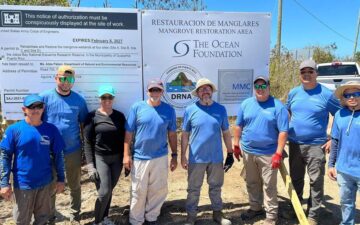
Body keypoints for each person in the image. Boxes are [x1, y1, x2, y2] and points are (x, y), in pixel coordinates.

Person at [286, 59, 341, 224]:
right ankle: (294, 209)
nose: (307, 74)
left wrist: (333, 138)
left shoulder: (326, 94)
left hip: (316, 145)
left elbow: (339, 115)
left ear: (316, 73)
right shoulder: (294, 93)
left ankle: (313, 215)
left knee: (315, 181)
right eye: (303, 72)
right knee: (296, 179)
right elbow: (288, 111)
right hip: (294, 143)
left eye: (310, 71)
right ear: (300, 75)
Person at [0, 94, 65, 225]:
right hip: (23, 185)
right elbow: (5, 157)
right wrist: (4, 183)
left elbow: (59, 156)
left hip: (45, 183)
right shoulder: (14, 130)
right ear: (24, 109)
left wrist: (61, 179)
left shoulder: (51, 129)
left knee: (42, 220)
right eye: (31, 107)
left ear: (43, 108)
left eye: (39, 106)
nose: (36, 110)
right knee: (22, 221)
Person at [233, 76, 288, 225]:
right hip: (248, 152)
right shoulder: (246, 104)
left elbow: (283, 131)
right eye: (257, 86)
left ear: (269, 87)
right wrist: (236, 145)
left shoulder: (278, 106)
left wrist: (278, 153)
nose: (260, 89)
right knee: (252, 182)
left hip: (269, 153)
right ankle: (255, 207)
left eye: (263, 86)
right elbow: (239, 125)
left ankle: (271, 216)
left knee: (269, 186)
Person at [124, 79, 177, 225]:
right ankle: (136, 220)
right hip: (140, 157)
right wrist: (126, 155)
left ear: (162, 92)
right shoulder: (137, 107)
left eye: (158, 90)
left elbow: (172, 134)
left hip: (160, 157)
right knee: (138, 191)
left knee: (158, 190)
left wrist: (174, 156)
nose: (155, 93)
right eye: (152, 90)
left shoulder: (169, 110)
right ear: (147, 92)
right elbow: (128, 133)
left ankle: (151, 217)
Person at [181, 78, 234, 225]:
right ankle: (191, 217)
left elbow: (226, 133)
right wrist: (182, 157)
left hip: (216, 157)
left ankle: (217, 215)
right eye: (201, 89)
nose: (205, 91)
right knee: (193, 189)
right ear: (197, 93)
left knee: (216, 188)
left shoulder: (220, 109)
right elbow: (185, 135)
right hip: (196, 158)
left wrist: (230, 154)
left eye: (208, 88)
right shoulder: (190, 110)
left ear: (212, 91)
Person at [40, 65, 89, 224]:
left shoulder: (79, 100)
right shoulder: (44, 98)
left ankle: (75, 215)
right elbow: (35, 122)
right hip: (49, 152)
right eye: (62, 78)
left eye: (70, 79)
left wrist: (84, 151)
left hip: (72, 150)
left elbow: (84, 126)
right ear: (56, 78)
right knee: (51, 185)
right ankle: (51, 216)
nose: (66, 82)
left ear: (73, 81)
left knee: (75, 185)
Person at [84, 85, 126, 225]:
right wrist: (90, 166)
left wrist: (127, 158)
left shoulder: (119, 116)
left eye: (110, 97)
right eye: (104, 97)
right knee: (104, 192)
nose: (107, 100)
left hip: (117, 159)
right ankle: (97, 221)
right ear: (100, 99)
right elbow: (87, 142)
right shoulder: (92, 116)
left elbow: (126, 139)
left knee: (109, 190)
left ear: (113, 98)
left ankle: (104, 219)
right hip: (101, 158)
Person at [328, 81, 360, 225]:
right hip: (344, 170)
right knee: (346, 202)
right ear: (343, 98)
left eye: (356, 94)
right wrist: (331, 165)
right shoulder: (339, 115)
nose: (352, 97)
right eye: (348, 95)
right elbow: (334, 141)